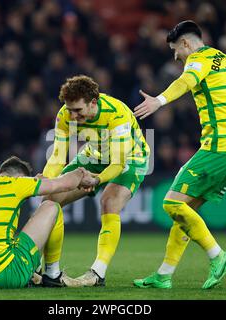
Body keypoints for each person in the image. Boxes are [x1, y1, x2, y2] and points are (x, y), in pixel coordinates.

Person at [133, 20, 226, 290]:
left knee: (170, 204)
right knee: (185, 210)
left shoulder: (197, 60)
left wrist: (159, 100)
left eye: (175, 50)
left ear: (186, 44)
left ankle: (218, 257)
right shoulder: (224, 59)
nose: (175, 56)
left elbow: (186, 82)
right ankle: (164, 274)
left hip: (217, 147)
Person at [41, 75, 150, 286]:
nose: (72, 116)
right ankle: (51, 274)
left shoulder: (116, 114)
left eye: (78, 111)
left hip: (129, 158)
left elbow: (118, 164)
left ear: (93, 102)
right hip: (94, 155)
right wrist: (47, 180)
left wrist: (96, 180)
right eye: (69, 110)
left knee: (109, 202)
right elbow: (56, 156)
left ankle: (97, 274)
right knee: (50, 199)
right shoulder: (65, 114)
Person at [0, 156, 97, 289]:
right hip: (3, 275)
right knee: (51, 206)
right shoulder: (14, 183)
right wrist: (81, 173)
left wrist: (33, 182)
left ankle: (34, 272)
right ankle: (53, 275)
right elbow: (65, 184)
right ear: (20, 177)